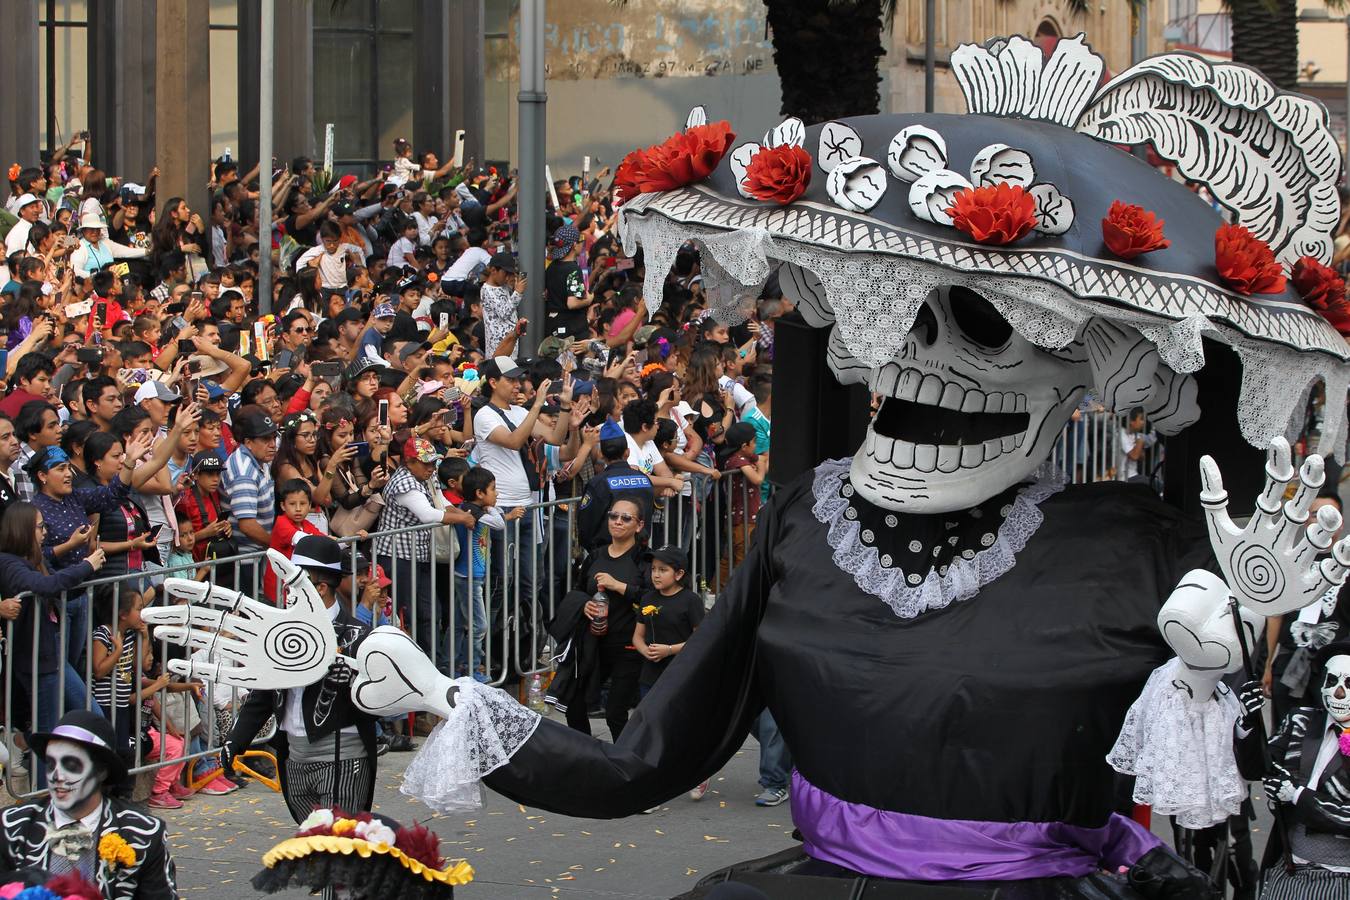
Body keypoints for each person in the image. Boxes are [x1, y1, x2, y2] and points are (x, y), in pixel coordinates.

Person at [223, 536, 379, 823]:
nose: (285, 590)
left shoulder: (360, 636)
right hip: (294, 757)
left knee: (338, 845)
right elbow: (263, 692)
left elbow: (380, 698)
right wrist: (236, 740)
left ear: (319, 588)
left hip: (343, 756)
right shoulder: (279, 632)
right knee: (311, 846)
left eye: (293, 583)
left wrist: (351, 682)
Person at [0, 709, 178, 899]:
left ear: (101, 771)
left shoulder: (142, 833)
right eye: (51, 764)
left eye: (71, 765)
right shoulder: (13, 826)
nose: (57, 776)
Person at [373, 437, 474, 659]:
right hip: (396, 556)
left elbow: (440, 502)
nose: (431, 468)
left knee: (430, 613)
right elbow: (428, 515)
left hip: (419, 555)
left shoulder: (426, 477)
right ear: (409, 461)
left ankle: (431, 664)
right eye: (426, 463)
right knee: (402, 613)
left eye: (433, 463)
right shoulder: (404, 482)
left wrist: (464, 514)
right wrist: (462, 520)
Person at [565, 496, 648, 740]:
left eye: (626, 518)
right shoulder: (595, 556)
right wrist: (584, 606)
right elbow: (578, 591)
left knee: (615, 713)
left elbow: (652, 599)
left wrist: (619, 586)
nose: (618, 522)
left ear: (639, 525)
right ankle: (587, 756)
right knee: (573, 702)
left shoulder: (644, 559)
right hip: (594, 641)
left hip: (629, 645)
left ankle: (627, 765)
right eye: (613, 516)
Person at [451, 466, 521, 681]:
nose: (497, 493)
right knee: (478, 625)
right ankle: (472, 669)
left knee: (463, 624)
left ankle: (461, 665)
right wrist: (498, 511)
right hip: (468, 576)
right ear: (480, 493)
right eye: (493, 489)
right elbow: (498, 523)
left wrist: (502, 513)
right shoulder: (474, 512)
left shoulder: (477, 511)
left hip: (474, 575)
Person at [221, 406, 278, 592]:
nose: (273, 444)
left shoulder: (261, 460)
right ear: (248, 442)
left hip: (259, 554)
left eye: (273, 437)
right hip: (245, 559)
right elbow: (247, 525)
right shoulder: (244, 471)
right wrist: (276, 545)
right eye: (265, 439)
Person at [576, 419, 654, 553]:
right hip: (639, 553)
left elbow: (586, 525)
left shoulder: (598, 483)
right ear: (627, 452)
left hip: (607, 555)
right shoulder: (644, 479)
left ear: (601, 454)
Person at [264, 480, 327, 603]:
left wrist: (349, 539)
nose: (298, 509)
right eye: (292, 504)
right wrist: (327, 541)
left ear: (309, 506)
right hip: (278, 589)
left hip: (295, 586)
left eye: (302, 504)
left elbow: (324, 541)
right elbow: (301, 539)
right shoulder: (281, 522)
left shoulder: (306, 524)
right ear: (283, 506)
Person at [543, 224, 590, 337]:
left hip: (552, 324)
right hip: (570, 328)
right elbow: (572, 303)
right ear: (574, 245)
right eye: (580, 240)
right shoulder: (573, 269)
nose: (582, 243)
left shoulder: (552, 266)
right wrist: (589, 299)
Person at [480, 252, 527, 359]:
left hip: (511, 341)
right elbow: (504, 313)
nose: (507, 278)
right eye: (505, 273)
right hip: (498, 346)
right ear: (493, 270)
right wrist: (518, 292)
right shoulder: (487, 290)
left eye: (510, 274)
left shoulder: (504, 286)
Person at [1118, 406, 1156, 483]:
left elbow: (1142, 457)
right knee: (1157, 485)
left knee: (1156, 484)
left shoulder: (1136, 435)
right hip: (1124, 478)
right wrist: (1140, 442)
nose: (1143, 422)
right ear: (1131, 421)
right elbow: (1134, 456)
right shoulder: (1121, 434)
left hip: (1133, 475)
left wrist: (1138, 447)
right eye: (1141, 419)